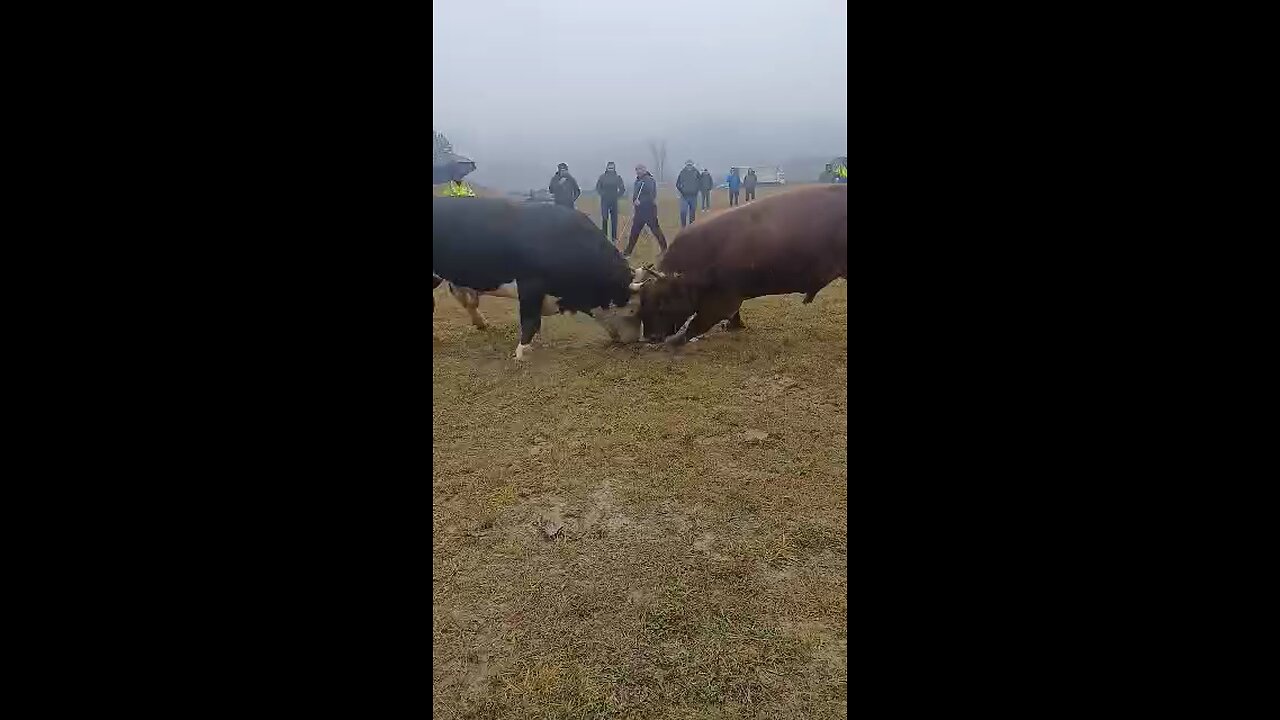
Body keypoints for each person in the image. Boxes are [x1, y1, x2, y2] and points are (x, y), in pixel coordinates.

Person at [623, 164, 667, 257]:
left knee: (656, 230)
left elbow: (651, 196)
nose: (639, 171)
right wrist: (634, 201)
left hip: (649, 210)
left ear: (645, 170)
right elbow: (636, 195)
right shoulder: (637, 181)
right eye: (637, 170)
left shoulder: (649, 180)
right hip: (639, 212)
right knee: (634, 232)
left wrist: (641, 202)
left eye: (640, 169)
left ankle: (665, 250)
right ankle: (627, 252)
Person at [595, 161, 627, 242]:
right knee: (604, 218)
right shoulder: (602, 177)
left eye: (612, 167)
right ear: (607, 168)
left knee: (614, 220)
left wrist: (617, 195)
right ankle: (604, 236)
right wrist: (602, 194)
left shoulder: (617, 177)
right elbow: (598, 187)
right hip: (605, 201)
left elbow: (622, 189)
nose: (610, 169)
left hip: (614, 201)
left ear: (614, 168)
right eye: (609, 167)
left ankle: (614, 238)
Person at [676, 159, 701, 227]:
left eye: (690, 165)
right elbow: (677, 184)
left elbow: (700, 182)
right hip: (684, 196)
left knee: (692, 212)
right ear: (686, 165)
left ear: (692, 165)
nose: (689, 166)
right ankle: (683, 226)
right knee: (683, 212)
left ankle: (691, 227)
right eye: (688, 165)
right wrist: (682, 191)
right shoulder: (682, 172)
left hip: (693, 196)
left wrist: (697, 190)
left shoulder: (696, 172)